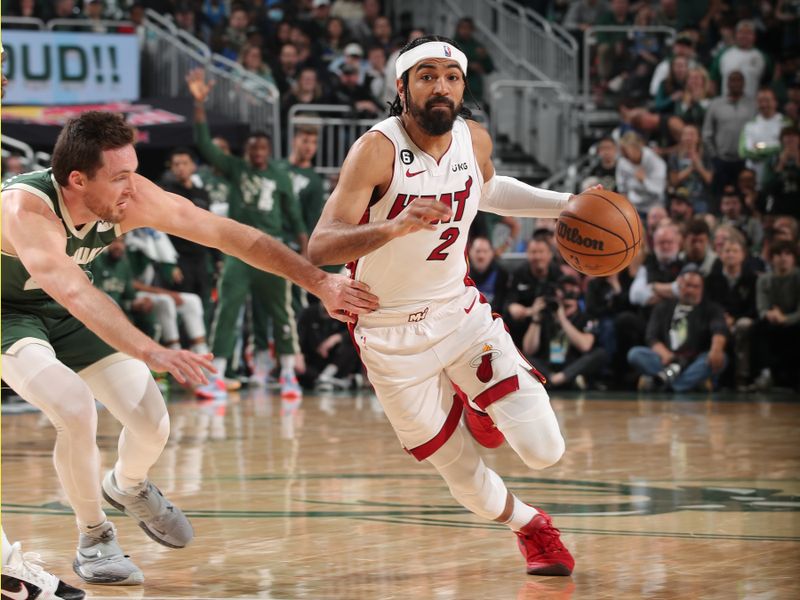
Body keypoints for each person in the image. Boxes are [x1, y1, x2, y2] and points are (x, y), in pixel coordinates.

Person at [0, 111, 377, 585]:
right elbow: (71, 290)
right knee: (75, 408)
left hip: (68, 314)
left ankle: (128, 485)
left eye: (133, 171)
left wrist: (319, 281)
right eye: (119, 177)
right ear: (77, 180)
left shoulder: (130, 196)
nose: (131, 186)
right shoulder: (25, 209)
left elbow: (228, 234)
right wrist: (149, 349)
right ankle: (93, 538)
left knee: (151, 422)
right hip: (8, 315)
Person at [308, 34, 579, 576]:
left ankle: (475, 400)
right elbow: (321, 244)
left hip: (458, 313)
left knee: (545, 449)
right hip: (388, 334)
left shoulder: (472, 140)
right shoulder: (375, 149)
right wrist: (392, 226)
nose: (441, 87)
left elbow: (489, 188)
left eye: (451, 77)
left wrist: (565, 204)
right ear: (402, 87)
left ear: (463, 87)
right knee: (463, 479)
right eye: (427, 75)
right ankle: (531, 526)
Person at [188, 68, 314, 400]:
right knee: (227, 309)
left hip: (273, 249)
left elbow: (297, 219)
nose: (257, 153)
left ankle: (288, 374)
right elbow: (203, 143)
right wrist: (199, 104)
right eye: (253, 148)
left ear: (268, 151)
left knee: (280, 312)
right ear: (247, 152)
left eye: (262, 149)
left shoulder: (280, 176)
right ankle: (217, 376)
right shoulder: (235, 168)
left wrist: (304, 256)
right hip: (238, 249)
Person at [628, 264, 729, 392]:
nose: (690, 290)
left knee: (721, 359)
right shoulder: (663, 307)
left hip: (695, 360)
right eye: (687, 285)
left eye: (695, 287)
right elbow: (651, 336)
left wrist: (716, 349)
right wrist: (666, 354)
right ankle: (686, 384)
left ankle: (665, 383)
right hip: (667, 359)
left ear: (702, 289)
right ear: (679, 286)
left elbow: (719, 329)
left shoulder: (712, 309)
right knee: (635, 354)